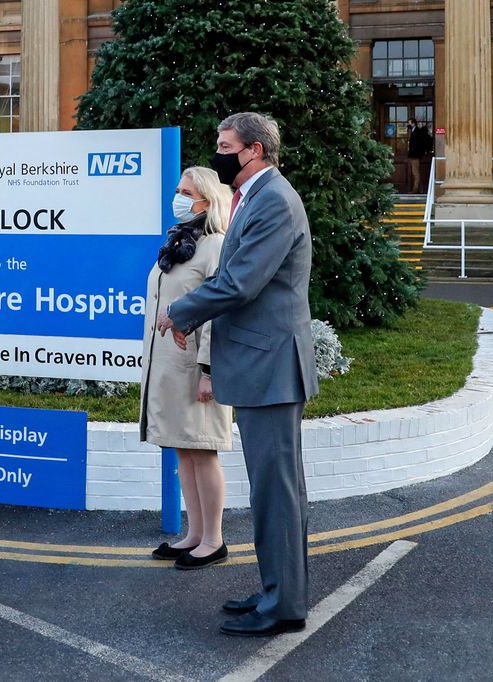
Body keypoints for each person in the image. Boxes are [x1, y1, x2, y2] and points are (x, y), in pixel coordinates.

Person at [157, 112, 319, 638]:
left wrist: (181, 312)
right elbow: (231, 275)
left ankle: (284, 605)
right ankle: (277, 589)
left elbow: (240, 283)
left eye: (225, 145)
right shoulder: (255, 196)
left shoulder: (274, 199)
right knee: (273, 490)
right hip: (261, 365)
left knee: (278, 491)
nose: (219, 152)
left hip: (272, 368)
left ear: (252, 151)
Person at [141, 166, 233, 569]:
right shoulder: (180, 242)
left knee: (204, 450)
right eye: (177, 189)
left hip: (196, 369)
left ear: (206, 200)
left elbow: (218, 312)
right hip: (170, 365)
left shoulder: (215, 246)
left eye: (185, 191)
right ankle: (194, 534)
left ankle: (213, 539)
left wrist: (210, 371)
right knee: (185, 449)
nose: (177, 197)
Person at [406, 118, 433, 194]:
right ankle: (421, 189)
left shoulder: (417, 132)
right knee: (416, 172)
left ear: (413, 123)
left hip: (415, 156)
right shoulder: (413, 131)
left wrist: (420, 153)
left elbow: (419, 144)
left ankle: (415, 189)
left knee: (415, 173)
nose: (408, 125)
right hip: (413, 155)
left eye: (409, 123)